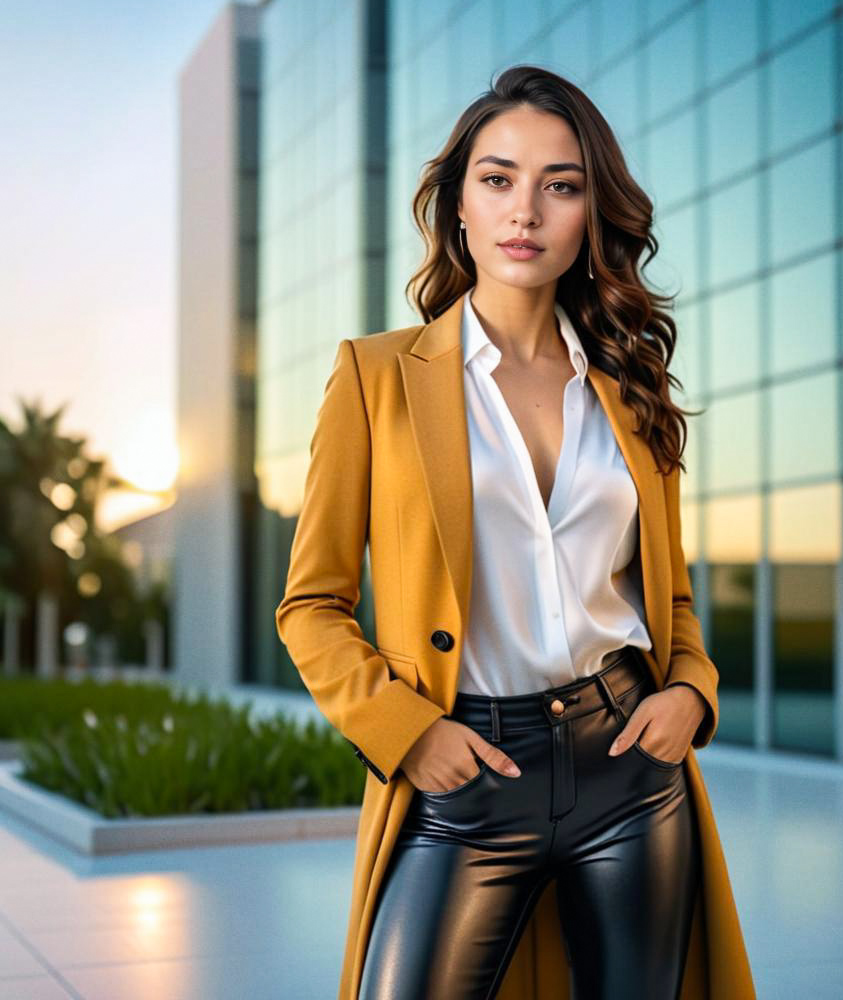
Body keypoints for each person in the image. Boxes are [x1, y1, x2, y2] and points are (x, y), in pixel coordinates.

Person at [276, 65, 756, 1000]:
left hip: (629, 769)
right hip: (464, 772)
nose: (525, 210)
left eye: (561, 184)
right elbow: (311, 605)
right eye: (497, 179)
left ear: (590, 215)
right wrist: (406, 732)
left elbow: (672, 597)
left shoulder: (632, 389)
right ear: (459, 204)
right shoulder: (377, 380)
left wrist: (691, 694)